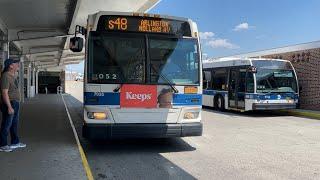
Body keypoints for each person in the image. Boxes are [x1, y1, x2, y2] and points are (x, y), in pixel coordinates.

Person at [0, 58, 26, 152]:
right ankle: (2, 144)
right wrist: (9, 107)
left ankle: (15, 142)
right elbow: (4, 93)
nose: (18, 64)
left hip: (15, 103)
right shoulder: (5, 76)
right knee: (6, 124)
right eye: (16, 63)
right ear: (10, 65)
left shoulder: (13, 75)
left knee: (14, 123)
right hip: (9, 103)